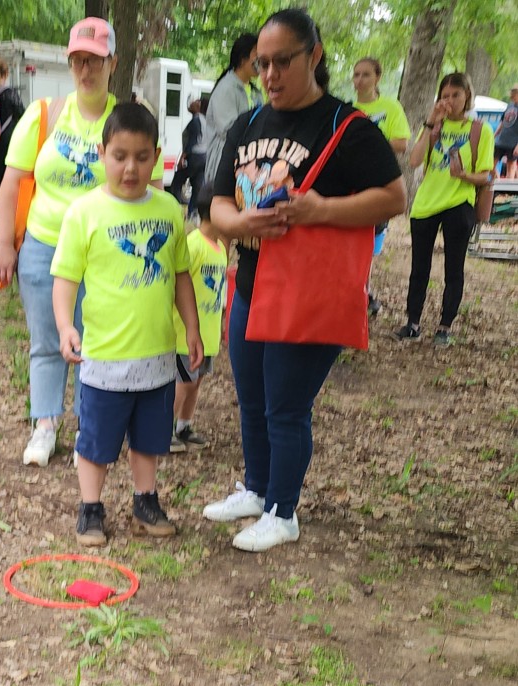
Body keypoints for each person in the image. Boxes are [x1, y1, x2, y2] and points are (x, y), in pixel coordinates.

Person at [203, 6, 405, 552]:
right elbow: (218, 204)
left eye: (282, 62)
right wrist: (240, 223)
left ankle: (282, 511)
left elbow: (394, 198)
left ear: (314, 55)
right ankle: (257, 488)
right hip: (252, 285)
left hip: (307, 292)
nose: (269, 75)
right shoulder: (248, 123)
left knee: (285, 408)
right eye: (261, 63)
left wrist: (321, 211)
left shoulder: (347, 126)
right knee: (251, 399)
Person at [0, 18, 163, 469]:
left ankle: (93, 429)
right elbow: (11, 182)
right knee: (47, 340)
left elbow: (153, 189)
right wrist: (5, 243)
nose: (86, 70)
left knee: (97, 343)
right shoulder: (44, 114)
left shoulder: (128, 119)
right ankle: (45, 424)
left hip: (106, 253)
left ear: (113, 64)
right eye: (78, 60)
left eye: (95, 61)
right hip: (44, 246)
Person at [52, 102, 202, 547]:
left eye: (140, 157)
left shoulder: (169, 209)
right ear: (102, 154)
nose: (130, 168)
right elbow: (65, 279)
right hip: (104, 357)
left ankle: (145, 502)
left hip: (156, 356)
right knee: (96, 439)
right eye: (119, 156)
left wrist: (192, 328)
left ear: (156, 156)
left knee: (150, 438)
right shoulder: (85, 212)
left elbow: (180, 275)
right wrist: (65, 326)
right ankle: (90, 507)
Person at [398, 72, 494, 347]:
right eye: (445, 96)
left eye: (456, 95)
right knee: (419, 267)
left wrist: (463, 175)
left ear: (467, 97)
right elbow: (414, 161)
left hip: (458, 204)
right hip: (426, 204)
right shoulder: (434, 126)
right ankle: (413, 323)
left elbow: (486, 175)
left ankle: (444, 325)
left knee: (454, 268)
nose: (449, 101)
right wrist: (431, 122)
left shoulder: (480, 130)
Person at [352, 57, 411, 316]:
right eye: (356, 74)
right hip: (352, 186)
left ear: (377, 78)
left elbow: (401, 143)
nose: (359, 80)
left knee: (369, 246)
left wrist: (371, 144)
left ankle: (363, 293)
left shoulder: (390, 107)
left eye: (365, 74)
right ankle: (359, 294)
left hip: (379, 185)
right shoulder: (348, 109)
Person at [171, 190, 227, 451]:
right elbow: (177, 282)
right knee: (184, 381)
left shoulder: (221, 249)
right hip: (186, 335)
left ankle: (184, 425)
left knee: (196, 381)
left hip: (209, 331)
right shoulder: (193, 245)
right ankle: (163, 429)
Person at [203, 33, 259, 187]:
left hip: (246, 168)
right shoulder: (226, 89)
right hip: (224, 168)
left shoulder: (256, 92)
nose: (260, 60)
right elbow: (229, 130)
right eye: (256, 54)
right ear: (242, 58)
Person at [0, 59, 26, 214]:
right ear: (6, 74)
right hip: (6, 140)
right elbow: (22, 115)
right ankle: (0, 207)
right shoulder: (10, 94)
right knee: (3, 175)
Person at [170, 96, 207, 216]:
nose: (192, 103)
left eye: (196, 101)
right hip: (204, 156)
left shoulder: (196, 121)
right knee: (197, 185)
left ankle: (175, 207)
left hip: (194, 156)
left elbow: (192, 141)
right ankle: (193, 212)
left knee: (177, 181)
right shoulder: (205, 120)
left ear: (200, 106)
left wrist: (183, 157)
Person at [493, 85, 518, 180]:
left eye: (514, 95)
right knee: (491, 164)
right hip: (501, 140)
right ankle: (498, 181)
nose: (512, 98)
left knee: (510, 167)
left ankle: (509, 187)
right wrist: (494, 135)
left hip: (513, 143)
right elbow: (503, 122)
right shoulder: (510, 105)